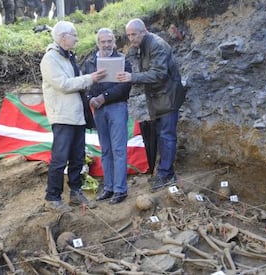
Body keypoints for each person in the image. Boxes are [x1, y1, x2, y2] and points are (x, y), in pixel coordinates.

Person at [40, 20, 107, 212]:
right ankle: (52, 197)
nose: (76, 39)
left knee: (78, 157)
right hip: (62, 117)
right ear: (62, 37)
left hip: (76, 115)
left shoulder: (67, 56)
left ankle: (76, 192)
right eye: (74, 35)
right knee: (60, 158)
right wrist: (90, 78)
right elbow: (64, 84)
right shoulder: (50, 59)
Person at [117, 18, 186, 193]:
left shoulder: (156, 45)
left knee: (167, 136)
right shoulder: (145, 45)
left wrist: (132, 77)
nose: (131, 38)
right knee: (163, 135)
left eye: (134, 34)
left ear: (144, 31)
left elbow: (159, 74)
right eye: (128, 35)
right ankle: (164, 172)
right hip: (160, 98)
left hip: (167, 98)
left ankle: (166, 175)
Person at [81, 28, 132, 204]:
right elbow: (85, 84)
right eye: (103, 41)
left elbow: (125, 86)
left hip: (117, 107)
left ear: (114, 42)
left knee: (118, 149)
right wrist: (91, 99)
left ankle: (120, 190)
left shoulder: (123, 61)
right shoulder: (89, 62)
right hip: (99, 110)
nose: (106, 44)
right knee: (106, 150)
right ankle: (109, 187)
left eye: (109, 41)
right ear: (98, 43)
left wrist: (104, 97)